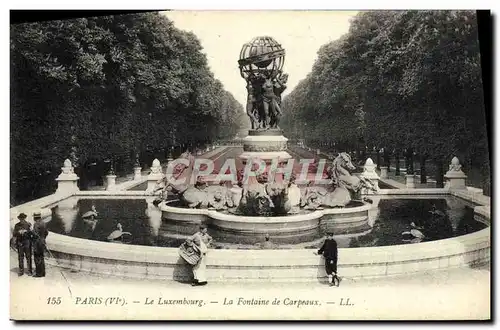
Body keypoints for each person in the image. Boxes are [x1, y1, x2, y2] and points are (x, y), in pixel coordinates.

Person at [32, 211, 49, 277]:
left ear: (35, 218)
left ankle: (38, 273)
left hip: (37, 243)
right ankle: (43, 272)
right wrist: (43, 238)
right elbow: (46, 232)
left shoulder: (36, 224)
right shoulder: (43, 223)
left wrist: (31, 232)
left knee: (37, 258)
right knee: (41, 257)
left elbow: (35, 234)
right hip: (42, 242)